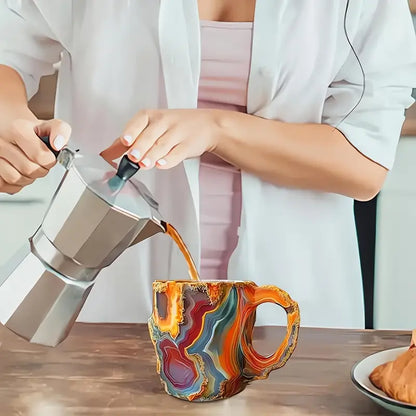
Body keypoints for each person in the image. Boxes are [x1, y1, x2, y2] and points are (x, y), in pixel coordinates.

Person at [0, 0, 415, 328]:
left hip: (288, 315)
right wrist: (8, 120)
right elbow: (9, 44)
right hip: (113, 311)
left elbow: (364, 164)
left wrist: (218, 130)